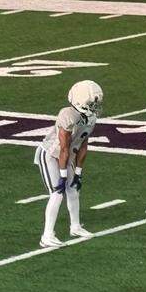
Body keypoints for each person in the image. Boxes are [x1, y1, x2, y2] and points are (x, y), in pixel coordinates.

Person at [36, 81, 103, 248]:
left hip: (67, 156)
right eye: (92, 104)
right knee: (57, 192)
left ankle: (75, 226)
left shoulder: (90, 118)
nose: (95, 107)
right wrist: (63, 176)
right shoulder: (67, 115)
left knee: (74, 189)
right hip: (50, 155)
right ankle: (47, 235)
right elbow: (63, 148)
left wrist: (78, 172)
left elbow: (83, 145)